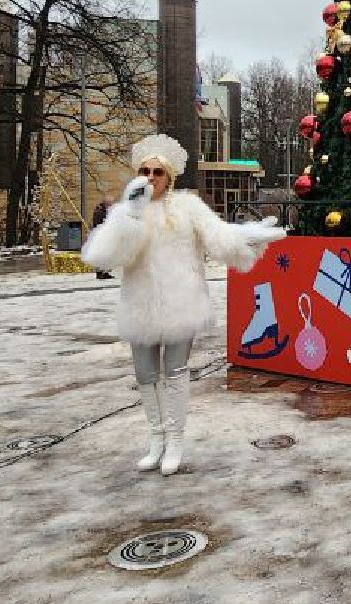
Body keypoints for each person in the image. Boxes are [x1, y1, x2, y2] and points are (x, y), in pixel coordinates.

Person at [82, 134, 285, 476]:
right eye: (144, 171)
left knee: (175, 373)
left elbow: (218, 236)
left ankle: (175, 441)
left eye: (157, 172)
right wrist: (128, 214)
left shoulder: (188, 207)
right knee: (146, 375)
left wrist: (248, 235)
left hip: (181, 302)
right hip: (140, 304)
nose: (150, 178)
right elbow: (101, 256)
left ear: (170, 176)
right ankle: (156, 439)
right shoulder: (127, 211)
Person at [90, 196, 114, 280]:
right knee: (101, 255)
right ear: (106, 203)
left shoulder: (106, 211)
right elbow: (98, 224)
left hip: (106, 236)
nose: (111, 205)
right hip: (100, 236)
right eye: (110, 203)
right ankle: (100, 273)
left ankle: (105, 272)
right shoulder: (99, 211)